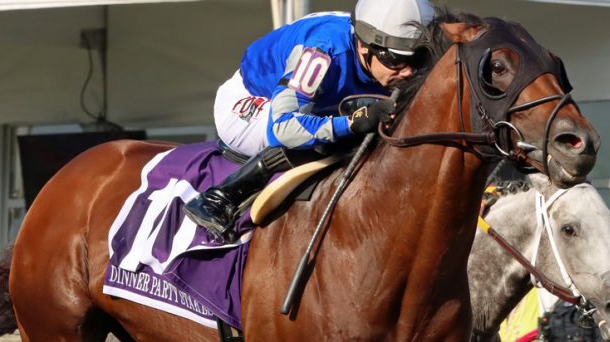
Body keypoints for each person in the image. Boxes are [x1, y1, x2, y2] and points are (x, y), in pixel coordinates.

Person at [183, 0, 434, 242]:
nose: (409, 72)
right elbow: (282, 129)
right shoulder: (323, 51)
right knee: (327, 139)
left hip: (320, 105)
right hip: (252, 103)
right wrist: (350, 123)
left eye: (416, 60)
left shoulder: (387, 51)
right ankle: (220, 199)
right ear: (364, 47)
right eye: (396, 60)